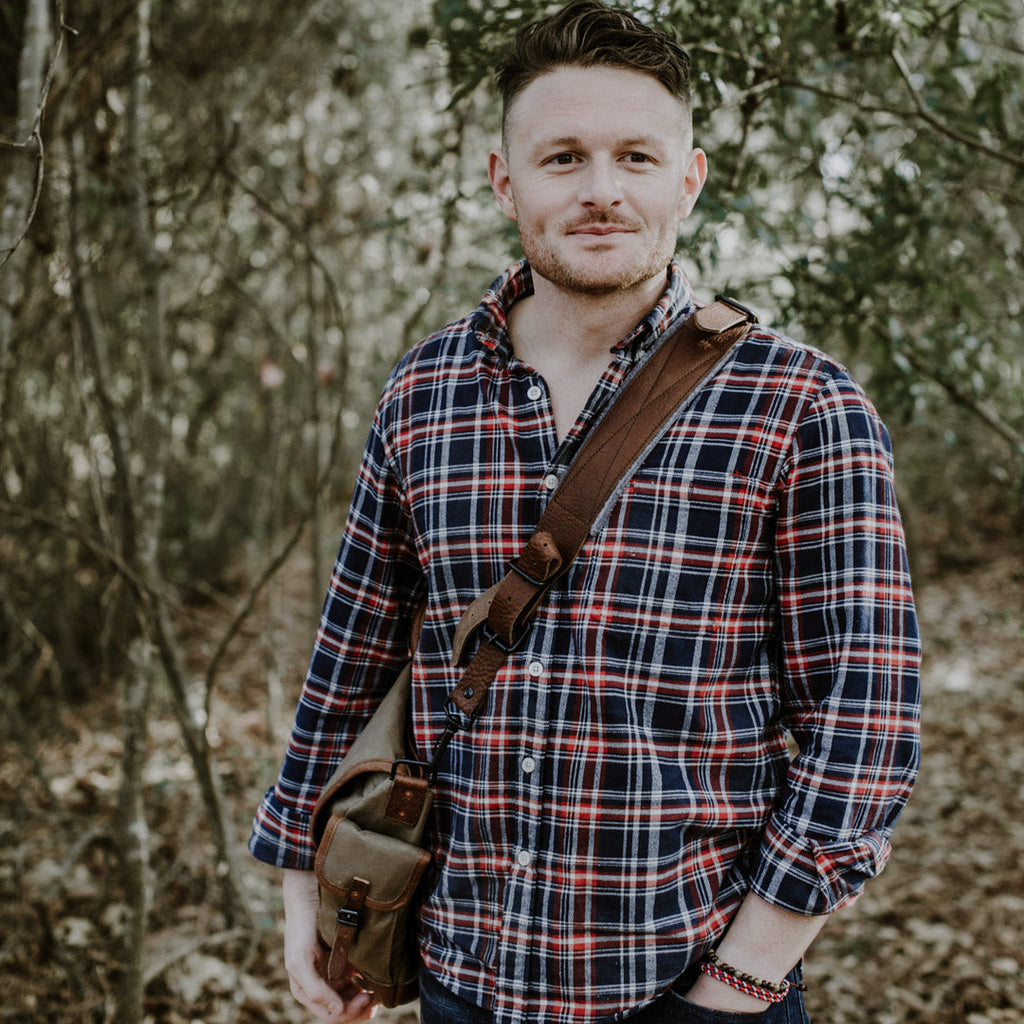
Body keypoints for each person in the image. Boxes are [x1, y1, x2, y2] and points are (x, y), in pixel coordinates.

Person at [249, 2, 922, 1022]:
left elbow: (864, 722)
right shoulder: (424, 391)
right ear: (503, 179)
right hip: (462, 977)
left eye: (635, 158)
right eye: (562, 157)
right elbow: (350, 654)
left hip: (687, 980)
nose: (602, 190)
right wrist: (303, 876)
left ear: (687, 179)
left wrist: (739, 979)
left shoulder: (801, 406)